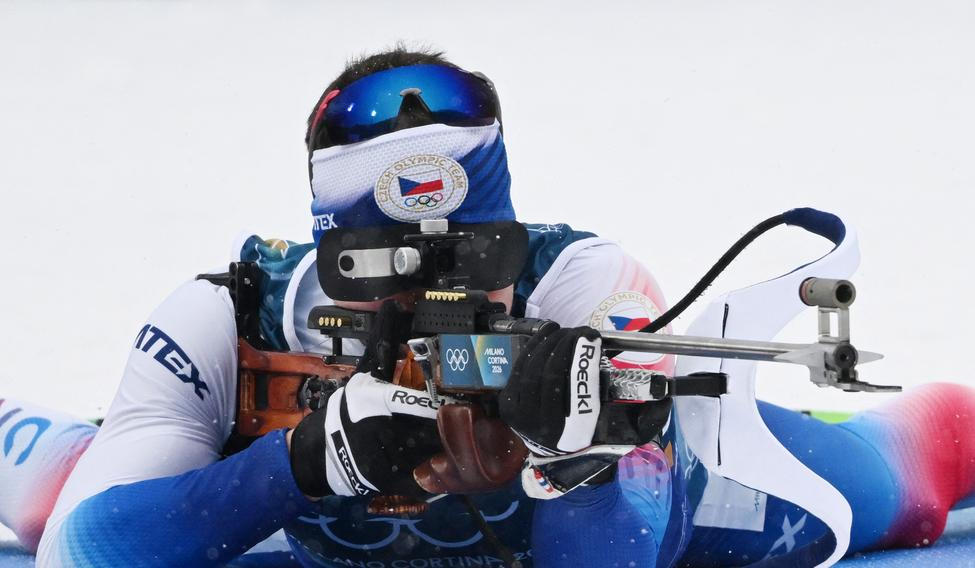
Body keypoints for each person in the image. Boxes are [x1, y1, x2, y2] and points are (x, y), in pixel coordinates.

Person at [1, 47, 974, 568]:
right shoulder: (227, 319)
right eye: (386, 265)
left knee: (913, 465)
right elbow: (80, 554)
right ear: (329, 256)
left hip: (697, 509)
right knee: (59, 493)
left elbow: (632, 549)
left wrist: (576, 467)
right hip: (279, 494)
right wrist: (300, 464)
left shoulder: (588, 291)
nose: (442, 298)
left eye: (478, 253)